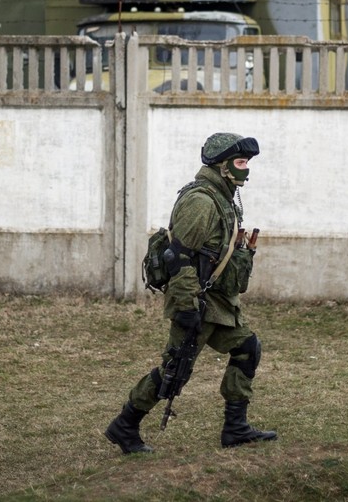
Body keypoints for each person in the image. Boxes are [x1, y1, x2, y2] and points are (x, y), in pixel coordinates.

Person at [105, 132, 278, 454]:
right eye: (240, 163)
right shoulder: (201, 201)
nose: (246, 170)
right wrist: (186, 304)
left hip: (217, 301)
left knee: (247, 348)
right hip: (196, 300)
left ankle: (235, 427)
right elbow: (177, 255)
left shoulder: (222, 195)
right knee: (174, 370)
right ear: (222, 166)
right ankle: (125, 425)